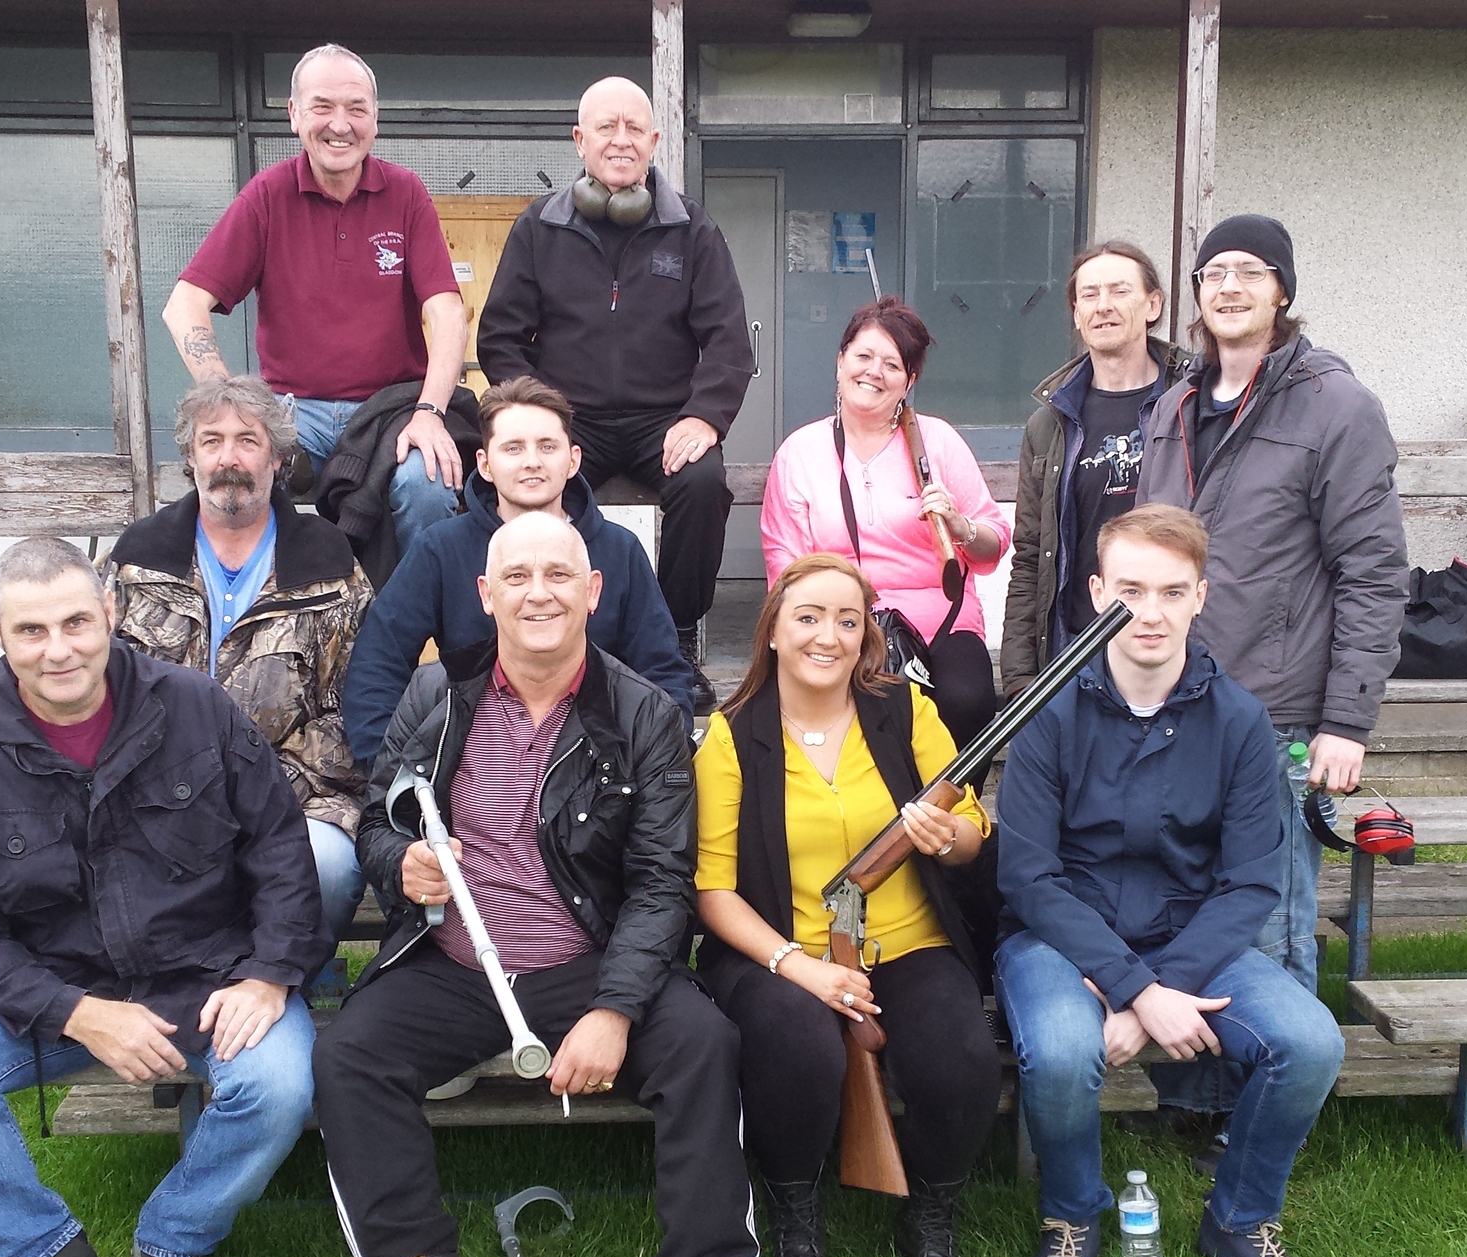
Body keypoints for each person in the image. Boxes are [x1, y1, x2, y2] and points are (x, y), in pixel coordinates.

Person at [315, 514, 790, 1257]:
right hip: (455, 964)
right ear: (487, 593)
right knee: (349, 1054)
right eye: (518, 576)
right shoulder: (438, 693)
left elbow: (660, 884)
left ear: (593, 591)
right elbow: (386, 815)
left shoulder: (644, 712)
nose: (540, 592)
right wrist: (402, 862)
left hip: (587, 965)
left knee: (700, 1045)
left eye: (559, 575)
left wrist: (613, 1010)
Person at [0, 537, 331, 1257]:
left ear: (110, 614)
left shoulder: (197, 708)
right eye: (33, 630)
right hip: (61, 997)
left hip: (208, 978)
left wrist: (268, 975)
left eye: (77, 621)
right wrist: (79, 1014)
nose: (60, 650)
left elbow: (280, 848)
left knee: (279, 1084)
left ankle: (174, 1241)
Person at [994, 507, 1345, 1257]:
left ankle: (1240, 1220)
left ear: (1200, 598)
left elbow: (1254, 880)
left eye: (1170, 592)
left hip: (1192, 939)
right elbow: (1029, 876)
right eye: (1130, 590)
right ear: (1095, 593)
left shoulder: (1239, 721)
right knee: (1059, 1046)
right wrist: (1130, 987)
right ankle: (1072, 1216)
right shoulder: (1049, 711)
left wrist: (1158, 992)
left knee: (1310, 1041)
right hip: (1060, 937)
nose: (1149, 612)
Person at [692, 553, 999, 1257]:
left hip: (910, 941)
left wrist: (941, 836)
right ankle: (796, 1212)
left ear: (867, 638)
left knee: (958, 1055)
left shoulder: (907, 711)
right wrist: (802, 968)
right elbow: (713, 891)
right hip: (778, 948)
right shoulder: (731, 737)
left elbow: (974, 831)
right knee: (796, 1046)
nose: (826, 635)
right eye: (808, 617)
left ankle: (931, 1219)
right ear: (771, 632)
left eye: (847, 620)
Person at [1139, 214, 1407, 1003]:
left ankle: (1269, 1102)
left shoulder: (1335, 407)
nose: (1229, 286)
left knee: (1269, 916)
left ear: (1282, 290)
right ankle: (1196, 1098)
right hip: (1175, 704)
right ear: (1194, 292)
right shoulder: (1174, 406)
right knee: (1185, 909)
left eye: (1250, 271)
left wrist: (1346, 722)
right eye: (1213, 271)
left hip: (1275, 715)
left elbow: (1373, 571)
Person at [478, 76, 751, 714]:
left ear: (655, 141)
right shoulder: (538, 229)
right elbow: (499, 340)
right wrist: (539, 418)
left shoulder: (693, 231)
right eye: (606, 127)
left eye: (634, 128)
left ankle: (678, 638)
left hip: (665, 420)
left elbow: (730, 341)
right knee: (528, 485)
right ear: (581, 140)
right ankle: (541, 637)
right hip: (570, 421)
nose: (621, 140)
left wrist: (705, 417)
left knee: (704, 484)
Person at [164, 43, 470, 564]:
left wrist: (429, 411)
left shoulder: (406, 193)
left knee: (431, 486)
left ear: (375, 119)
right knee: (233, 483)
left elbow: (447, 311)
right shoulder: (266, 196)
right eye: (322, 106)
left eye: (356, 108)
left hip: (390, 409)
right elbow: (184, 305)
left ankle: (398, 634)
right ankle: (260, 625)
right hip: (291, 411)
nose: (340, 125)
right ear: (293, 115)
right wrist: (231, 403)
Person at [110, 376, 373, 941]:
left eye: (248, 441)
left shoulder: (328, 564)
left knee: (325, 866)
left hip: (295, 796)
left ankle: (293, 977)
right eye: (212, 441)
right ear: (190, 456)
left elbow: (356, 707)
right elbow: (103, 693)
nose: (229, 457)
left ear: (277, 458)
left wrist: (253, 786)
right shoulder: (137, 561)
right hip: (153, 789)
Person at [340, 375, 693, 771]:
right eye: (513, 448)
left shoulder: (619, 550)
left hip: (595, 770)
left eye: (547, 446)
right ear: (485, 464)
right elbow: (378, 662)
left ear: (572, 460)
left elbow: (662, 673)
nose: (531, 462)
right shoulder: (442, 548)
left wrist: (656, 770)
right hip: (470, 767)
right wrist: (391, 771)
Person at [760, 298, 1010, 748]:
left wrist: (958, 524)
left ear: (908, 381)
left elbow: (993, 545)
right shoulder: (800, 452)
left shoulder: (938, 441)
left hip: (941, 619)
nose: (874, 372)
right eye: (863, 356)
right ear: (840, 362)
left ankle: (944, 812)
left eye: (892, 364)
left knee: (969, 700)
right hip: (841, 618)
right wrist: (819, 623)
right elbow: (784, 566)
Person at [1001, 239, 1197, 699]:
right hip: (1075, 657)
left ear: (1153, 304)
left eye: (1119, 291)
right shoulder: (1050, 423)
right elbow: (1031, 556)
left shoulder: (1193, 406)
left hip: (1172, 654)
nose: (1103, 306)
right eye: (1089, 295)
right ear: (1075, 312)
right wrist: (1018, 679)